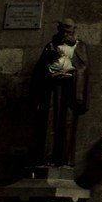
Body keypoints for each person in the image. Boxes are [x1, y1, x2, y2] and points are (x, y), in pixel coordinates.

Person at [35, 19, 88, 167]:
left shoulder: (79, 46)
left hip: (70, 89)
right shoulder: (51, 45)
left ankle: (63, 159)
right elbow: (40, 67)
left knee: (67, 123)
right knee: (49, 122)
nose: (66, 35)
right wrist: (49, 69)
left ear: (73, 32)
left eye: (69, 32)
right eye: (63, 32)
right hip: (52, 87)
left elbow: (83, 66)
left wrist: (74, 74)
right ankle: (46, 157)